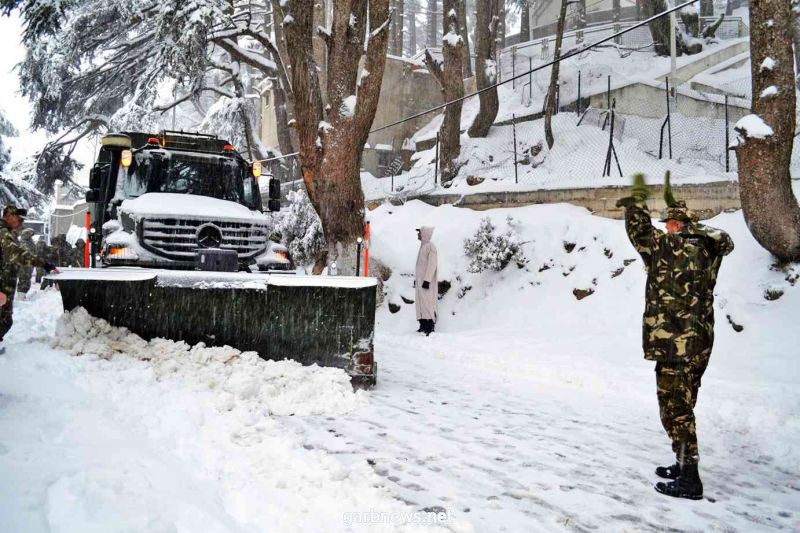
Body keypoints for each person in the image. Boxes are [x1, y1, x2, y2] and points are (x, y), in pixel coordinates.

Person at [617, 172, 733, 500]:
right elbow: (723, 237)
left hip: (674, 345)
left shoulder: (666, 247)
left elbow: (638, 230)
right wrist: (684, 217)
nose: (666, 226)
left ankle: (690, 480)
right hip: (700, 343)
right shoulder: (708, 249)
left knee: (674, 407)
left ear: (678, 227)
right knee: (684, 402)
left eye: (670, 222)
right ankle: (682, 464)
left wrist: (637, 198)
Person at [0, 206, 57, 349]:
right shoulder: (3, 234)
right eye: (19, 219)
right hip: (2, 284)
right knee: (4, 320)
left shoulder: (8, 233)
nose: (21, 223)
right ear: (9, 216)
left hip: (5, 283)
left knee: (5, 320)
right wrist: (44, 264)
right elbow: (17, 254)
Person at [415, 226, 438, 336]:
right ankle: (423, 325)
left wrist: (427, 280)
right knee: (421, 303)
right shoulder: (423, 246)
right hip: (421, 281)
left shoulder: (430, 247)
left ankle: (430, 326)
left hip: (426, 282)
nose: (418, 234)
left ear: (424, 234)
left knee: (428, 303)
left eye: (419, 232)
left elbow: (432, 265)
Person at [16, 228, 36, 297]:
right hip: (24, 265)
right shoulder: (23, 242)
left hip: (29, 265)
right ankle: (20, 296)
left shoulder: (30, 242)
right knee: (24, 280)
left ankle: (22, 295)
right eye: (29, 234)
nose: (31, 235)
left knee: (26, 280)